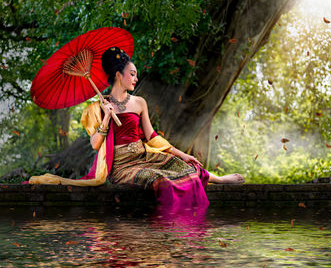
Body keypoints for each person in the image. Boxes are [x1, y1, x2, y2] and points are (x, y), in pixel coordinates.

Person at [92, 46, 244, 207]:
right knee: (159, 179)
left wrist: (182, 155)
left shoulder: (139, 102)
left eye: (136, 74)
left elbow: (152, 136)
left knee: (183, 166)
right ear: (118, 75)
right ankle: (170, 223)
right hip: (121, 166)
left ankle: (218, 179)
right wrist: (106, 117)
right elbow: (95, 144)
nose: (136, 78)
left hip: (143, 156)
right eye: (132, 74)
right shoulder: (98, 107)